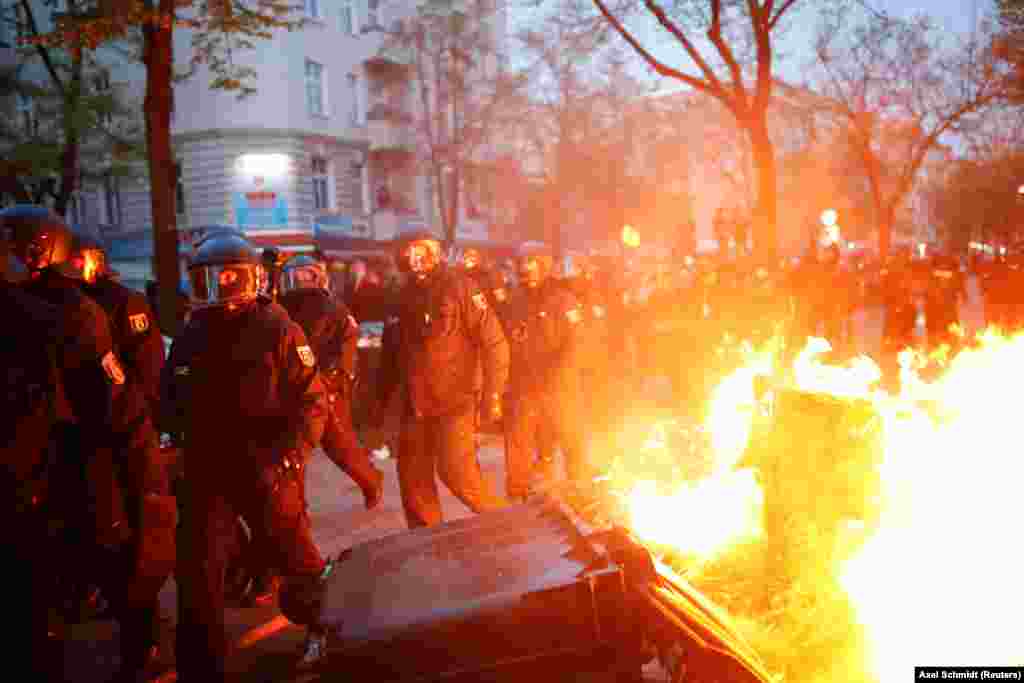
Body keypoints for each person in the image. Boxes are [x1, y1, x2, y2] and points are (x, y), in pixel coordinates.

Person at [3, 205, 172, 682]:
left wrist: (146, 485)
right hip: (27, 477)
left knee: (118, 575)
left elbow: (121, 402)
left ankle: (147, 653)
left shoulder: (77, 312)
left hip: (70, 471)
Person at [160, 232, 331, 679]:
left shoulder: (276, 326)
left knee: (295, 556)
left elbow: (312, 399)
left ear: (250, 279)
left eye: (229, 281)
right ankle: (202, 668)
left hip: (267, 466)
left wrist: (293, 455)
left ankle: (326, 632)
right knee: (198, 574)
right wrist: (172, 443)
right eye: (209, 283)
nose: (221, 293)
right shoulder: (192, 334)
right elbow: (170, 395)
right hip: (208, 471)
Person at [373, 228, 510, 528]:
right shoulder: (398, 295)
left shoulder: (461, 287)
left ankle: (506, 523)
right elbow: (388, 360)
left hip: (455, 401)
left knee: (457, 473)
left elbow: (494, 343)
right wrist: (377, 409)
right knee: (413, 483)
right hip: (414, 406)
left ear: (436, 252)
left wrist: (493, 394)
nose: (415, 258)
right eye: (407, 251)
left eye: (422, 250)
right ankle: (427, 545)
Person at [278, 253, 384, 509]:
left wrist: (338, 378)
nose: (302, 282)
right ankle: (295, 506)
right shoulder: (279, 311)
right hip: (294, 387)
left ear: (318, 277)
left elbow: (348, 342)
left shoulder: (334, 308)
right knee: (293, 451)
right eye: (297, 277)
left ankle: (370, 479)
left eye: (308, 276)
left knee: (340, 446)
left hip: (326, 387)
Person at [502, 242, 587, 500]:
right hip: (524, 384)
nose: (524, 269)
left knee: (570, 436)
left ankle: (579, 487)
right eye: (521, 263)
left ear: (544, 265)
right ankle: (518, 493)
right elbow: (506, 339)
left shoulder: (563, 300)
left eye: (531, 263)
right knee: (518, 439)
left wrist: (559, 376)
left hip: (559, 384)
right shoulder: (513, 300)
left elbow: (577, 342)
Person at [73, 229, 165, 415]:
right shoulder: (66, 300)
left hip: (122, 411)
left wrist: (141, 411)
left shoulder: (123, 300)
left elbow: (147, 365)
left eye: (79, 261)